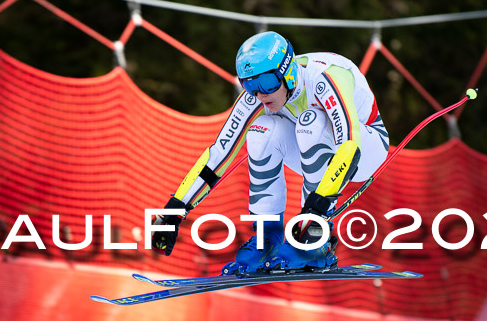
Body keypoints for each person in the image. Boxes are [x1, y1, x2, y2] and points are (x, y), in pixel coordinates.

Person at [151, 31, 389, 273]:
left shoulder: (324, 79)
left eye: (266, 83)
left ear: (287, 72)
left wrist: (314, 211)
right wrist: (174, 210)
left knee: (310, 121)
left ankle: (316, 239)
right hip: (320, 150)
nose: (260, 94)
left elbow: (350, 145)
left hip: (365, 149)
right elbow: (220, 153)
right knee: (261, 131)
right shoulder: (257, 97)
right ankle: (267, 238)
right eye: (249, 85)